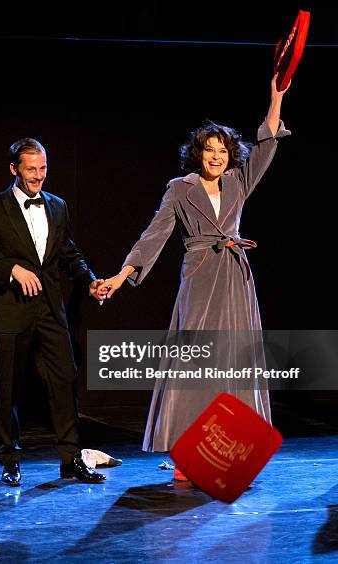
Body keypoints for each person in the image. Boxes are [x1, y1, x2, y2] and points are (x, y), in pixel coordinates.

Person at [100, 74, 291, 476]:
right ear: (198, 153)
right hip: (201, 276)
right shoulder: (179, 188)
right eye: (210, 149)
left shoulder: (239, 181)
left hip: (235, 277)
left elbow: (268, 144)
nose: (217, 156)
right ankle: (186, 450)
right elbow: (154, 235)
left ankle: (235, 449)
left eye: (222, 150)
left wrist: (276, 98)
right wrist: (122, 276)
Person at [0, 138, 108, 486]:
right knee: (10, 388)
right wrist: (12, 269)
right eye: (31, 169)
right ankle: (10, 459)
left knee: (65, 380)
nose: (38, 176)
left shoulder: (57, 206)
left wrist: (89, 281)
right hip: (10, 312)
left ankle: (71, 460)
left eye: (43, 168)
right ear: (14, 170)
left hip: (49, 311)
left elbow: (68, 253)